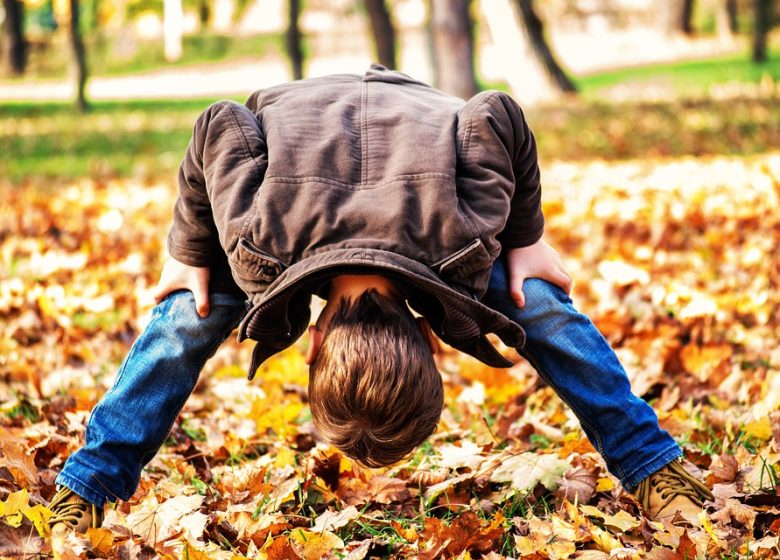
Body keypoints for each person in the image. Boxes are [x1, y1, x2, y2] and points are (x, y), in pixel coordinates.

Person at [48, 65, 712, 532]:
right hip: (329, 137)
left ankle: (651, 465)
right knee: (191, 307)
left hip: (402, 121)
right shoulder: (260, 244)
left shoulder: (460, 241)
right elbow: (219, 125)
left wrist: (525, 242)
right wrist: (187, 256)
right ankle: (88, 484)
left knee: (529, 294)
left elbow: (497, 115)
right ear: (313, 344)